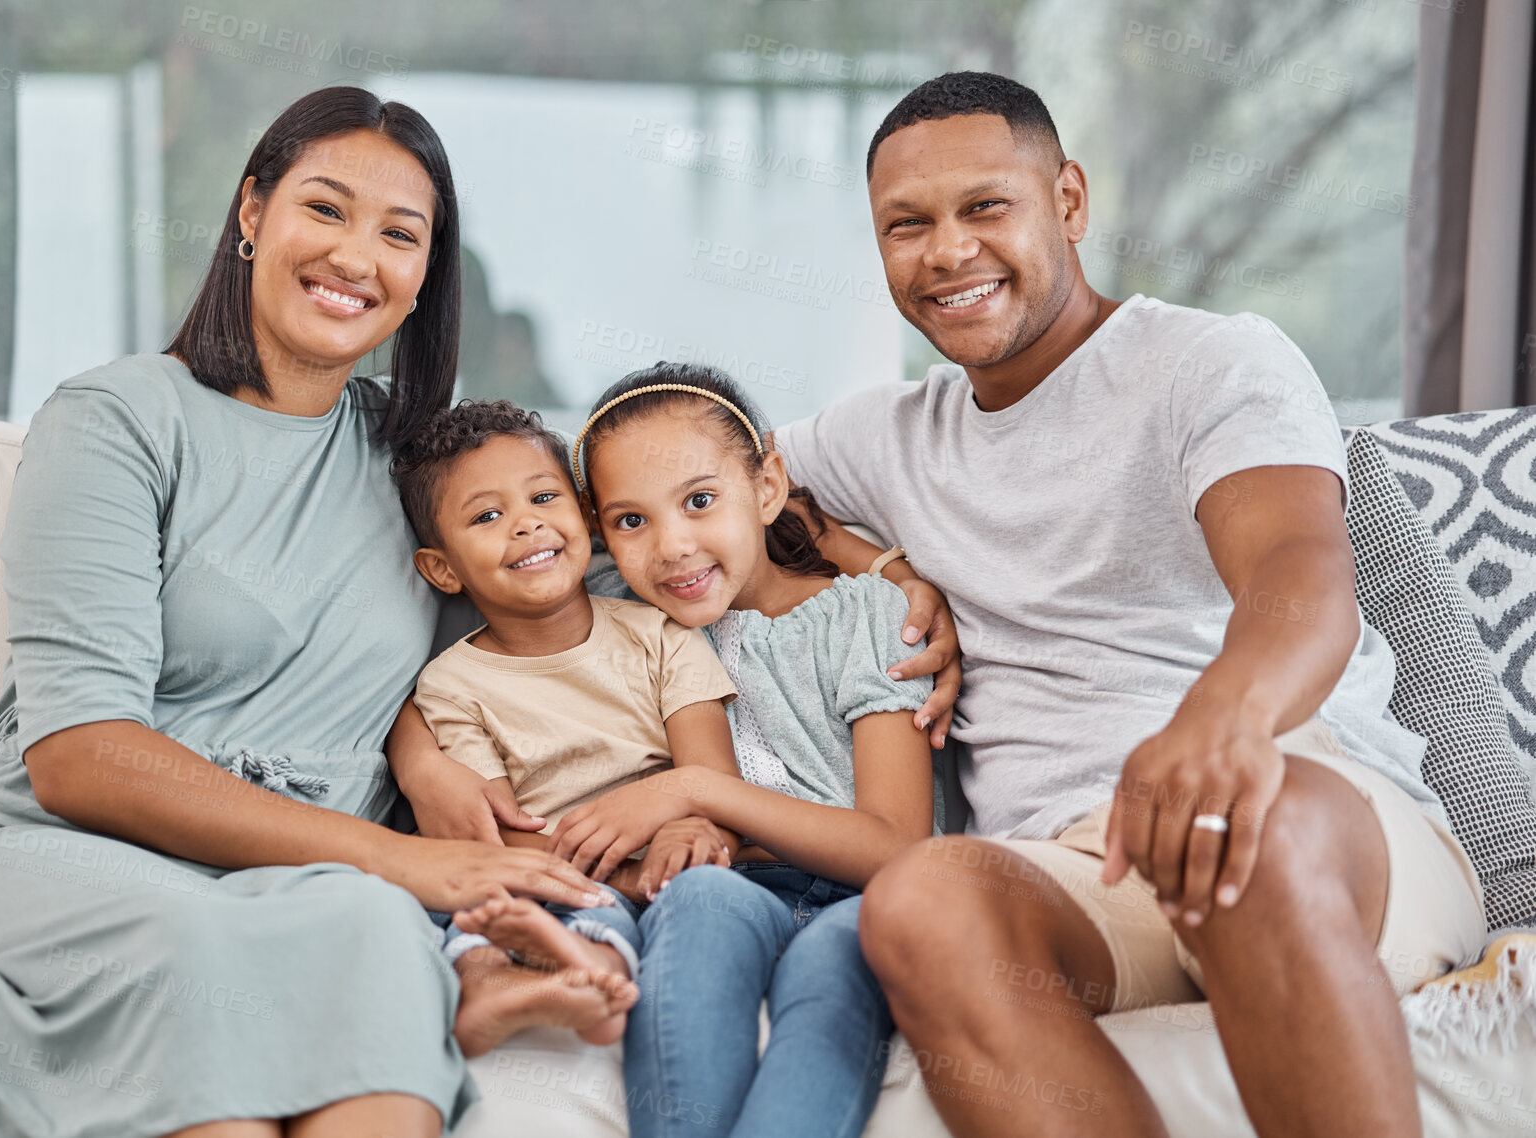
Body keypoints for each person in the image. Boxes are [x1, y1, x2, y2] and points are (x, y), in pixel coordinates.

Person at [0, 86, 613, 1138]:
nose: (356, 257)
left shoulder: (430, 475)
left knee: (368, 931)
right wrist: (399, 856)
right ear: (250, 211)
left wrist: (842, 557)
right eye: (325, 208)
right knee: (240, 930)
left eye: (398, 235)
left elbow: (629, 550)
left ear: (422, 281)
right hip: (60, 851)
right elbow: (79, 753)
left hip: (309, 886)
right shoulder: (120, 418)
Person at [777, 72, 1487, 1138]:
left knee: (1238, 830)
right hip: (1080, 865)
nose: (945, 253)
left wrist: (1221, 722)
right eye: (905, 225)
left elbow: (1297, 575)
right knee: (920, 900)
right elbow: (671, 475)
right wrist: (878, 567)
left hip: (1304, 817)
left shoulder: (1208, 361)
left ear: (1066, 201)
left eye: (984, 207)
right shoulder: (879, 439)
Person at [555, 363, 936, 1138]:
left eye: (700, 501)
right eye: (630, 521)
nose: (672, 547)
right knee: (695, 903)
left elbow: (897, 848)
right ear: (600, 531)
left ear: (766, 487)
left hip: (855, 897)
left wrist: (693, 790)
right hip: (726, 884)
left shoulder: (863, 614)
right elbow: (492, 611)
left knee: (838, 964)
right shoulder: (624, 618)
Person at [385, 398, 743, 1054]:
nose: (525, 525)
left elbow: (710, 783)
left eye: (542, 498)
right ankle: (499, 982)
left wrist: (694, 832)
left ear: (584, 519)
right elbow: (494, 832)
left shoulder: (660, 635)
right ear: (442, 569)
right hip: (540, 868)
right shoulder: (450, 685)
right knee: (484, 918)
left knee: (640, 919)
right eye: (487, 516)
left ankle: (585, 981)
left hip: (665, 870)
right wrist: (597, 880)